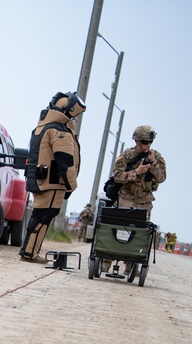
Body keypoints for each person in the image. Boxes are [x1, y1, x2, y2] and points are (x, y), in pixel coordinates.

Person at [19, 92, 85, 261]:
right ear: (65, 110)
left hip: (42, 180)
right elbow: (65, 161)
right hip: (52, 183)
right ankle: (30, 253)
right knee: (42, 218)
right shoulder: (58, 130)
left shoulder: (43, 127)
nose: (74, 118)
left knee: (40, 217)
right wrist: (72, 184)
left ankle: (30, 251)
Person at [101, 125, 167, 274]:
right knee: (118, 229)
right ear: (136, 141)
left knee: (139, 233)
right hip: (126, 197)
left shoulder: (156, 157)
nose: (147, 145)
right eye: (144, 142)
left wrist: (153, 163)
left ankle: (131, 265)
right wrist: (136, 172)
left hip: (144, 200)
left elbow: (162, 177)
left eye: (150, 142)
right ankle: (106, 261)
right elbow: (117, 176)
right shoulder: (126, 156)